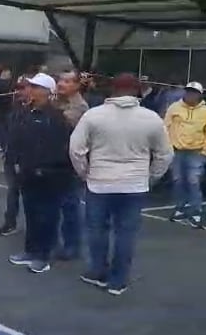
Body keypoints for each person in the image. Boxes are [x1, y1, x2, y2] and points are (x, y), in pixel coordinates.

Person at [70, 74, 173, 295]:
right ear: (137, 91)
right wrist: (151, 177)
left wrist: (85, 173)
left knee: (97, 230)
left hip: (99, 183)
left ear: (112, 90)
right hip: (134, 184)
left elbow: (76, 149)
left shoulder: (93, 115)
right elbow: (164, 154)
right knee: (125, 234)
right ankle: (118, 280)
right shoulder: (151, 118)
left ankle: (98, 271)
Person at [7, 73, 73, 274]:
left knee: (47, 216)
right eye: (30, 87)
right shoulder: (25, 113)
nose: (30, 90)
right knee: (31, 214)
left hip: (49, 175)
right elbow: (17, 140)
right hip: (27, 174)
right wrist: (15, 162)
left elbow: (59, 147)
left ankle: (43, 256)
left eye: (35, 87)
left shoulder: (56, 117)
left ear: (46, 91)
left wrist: (45, 168)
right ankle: (30, 251)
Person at [165, 81, 206, 229]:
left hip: (196, 151)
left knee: (193, 181)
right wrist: (167, 147)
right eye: (188, 91)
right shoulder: (174, 108)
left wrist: (205, 151)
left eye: (194, 92)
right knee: (178, 181)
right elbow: (165, 126)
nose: (190, 95)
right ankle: (180, 208)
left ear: (200, 95)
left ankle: (195, 212)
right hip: (176, 150)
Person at [52, 71, 89, 260]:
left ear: (76, 85)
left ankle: (71, 245)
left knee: (70, 206)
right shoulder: (56, 101)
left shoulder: (79, 106)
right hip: (53, 159)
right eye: (60, 80)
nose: (61, 84)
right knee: (53, 204)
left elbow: (59, 122)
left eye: (66, 81)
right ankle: (54, 241)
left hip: (69, 163)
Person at [0, 79, 29, 236]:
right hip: (11, 154)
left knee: (29, 194)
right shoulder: (14, 108)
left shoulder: (34, 110)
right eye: (17, 89)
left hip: (27, 157)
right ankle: (10, 222)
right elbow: (6, 129)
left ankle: (33, 225)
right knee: (12, 191)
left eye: (23, 89)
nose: (19, 92)